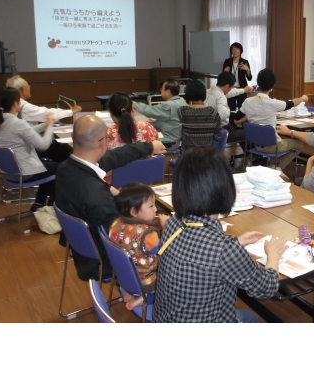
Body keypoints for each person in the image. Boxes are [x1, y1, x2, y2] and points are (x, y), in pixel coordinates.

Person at [153, 146, 289, 323]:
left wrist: (235, 242)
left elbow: (200, 250)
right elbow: (266, 288)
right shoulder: (224, 249)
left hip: (165, 319)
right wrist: (273, 254)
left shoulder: (174, 222)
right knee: (250, 318)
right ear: (224, 188)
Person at [55, 115, 166, 281]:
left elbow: (114, 157)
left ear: (73, 137)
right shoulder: (95, 194)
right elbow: (123, 237)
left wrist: (148, 146)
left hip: (82, 250)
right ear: (102, 143)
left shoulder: (65, 168)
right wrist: (164, 229)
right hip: (106, 259)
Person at [0, 87, 58, 212]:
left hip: (7, 172)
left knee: (50, 165)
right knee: (61, 167)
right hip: (24, 173)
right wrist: (50, 126)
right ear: (15, 103)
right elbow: (43, 145)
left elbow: (25, 131)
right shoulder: (17, 123)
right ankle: (50, 206)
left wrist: (44, 125)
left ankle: (39, 203)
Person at [235, 69, 308, 177]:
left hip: (255, 143)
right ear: (272, 86)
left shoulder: (247, 101)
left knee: (281, 138)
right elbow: (292, 103)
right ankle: (277, 166)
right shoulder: (273, 103)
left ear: (258, 83)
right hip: (273, 145)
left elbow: (236, 118)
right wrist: (302, 98)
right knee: (299, 145)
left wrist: (250, 114)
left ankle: (271, 164)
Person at [108, 183, 169, 311]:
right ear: (134, 212)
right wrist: (165, 228)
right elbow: (165, 252)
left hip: (125, 275)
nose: (155, 209)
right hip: (145, 280)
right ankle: (144, 298)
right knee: (171, 281)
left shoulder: (115, 223)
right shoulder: (148, 235)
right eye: (151, 206)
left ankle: (131, 291)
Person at [6, 75, 83, 125]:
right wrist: (72, 111)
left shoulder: (10, 102)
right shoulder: (24, 106)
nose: (29, 87)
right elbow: (48, 114)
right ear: (22, 89)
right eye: (28, 86)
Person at [132, 80, 187, 145]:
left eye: (162, 89)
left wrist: (132, 103)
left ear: (168, 92)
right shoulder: (183, 103)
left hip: (169, 140)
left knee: (143, 139)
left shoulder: (169, 106)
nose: (161, 91)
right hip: (177, 139)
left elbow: (149, 110)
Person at [205, 71, 253, 142]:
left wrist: (244, 90)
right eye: (231, 87)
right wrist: (228, 109)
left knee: (236, 117)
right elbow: (222, 115)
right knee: (249, 133)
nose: (230, 90)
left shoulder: (208, 91)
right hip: (222, 130)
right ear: (227, 86)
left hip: (208, 128)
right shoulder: (221, 97)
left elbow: (230, 92)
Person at [177, 79, 221, 151]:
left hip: (188, 154)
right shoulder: (213, 112)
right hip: (208, 154)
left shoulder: (182, 111)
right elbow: (217, 136)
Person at [222, 42, 252, 111]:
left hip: (242, 89)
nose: (235, 51)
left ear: (241, 51)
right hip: (230, 89)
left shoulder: (244, 62)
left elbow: (249, 78)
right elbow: (222, 77)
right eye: (233, 49)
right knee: (231, 109)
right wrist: (225, 72)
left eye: (237, 49)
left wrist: (247, 69)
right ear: (231, 51)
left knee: (242, 109)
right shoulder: (227, 61)